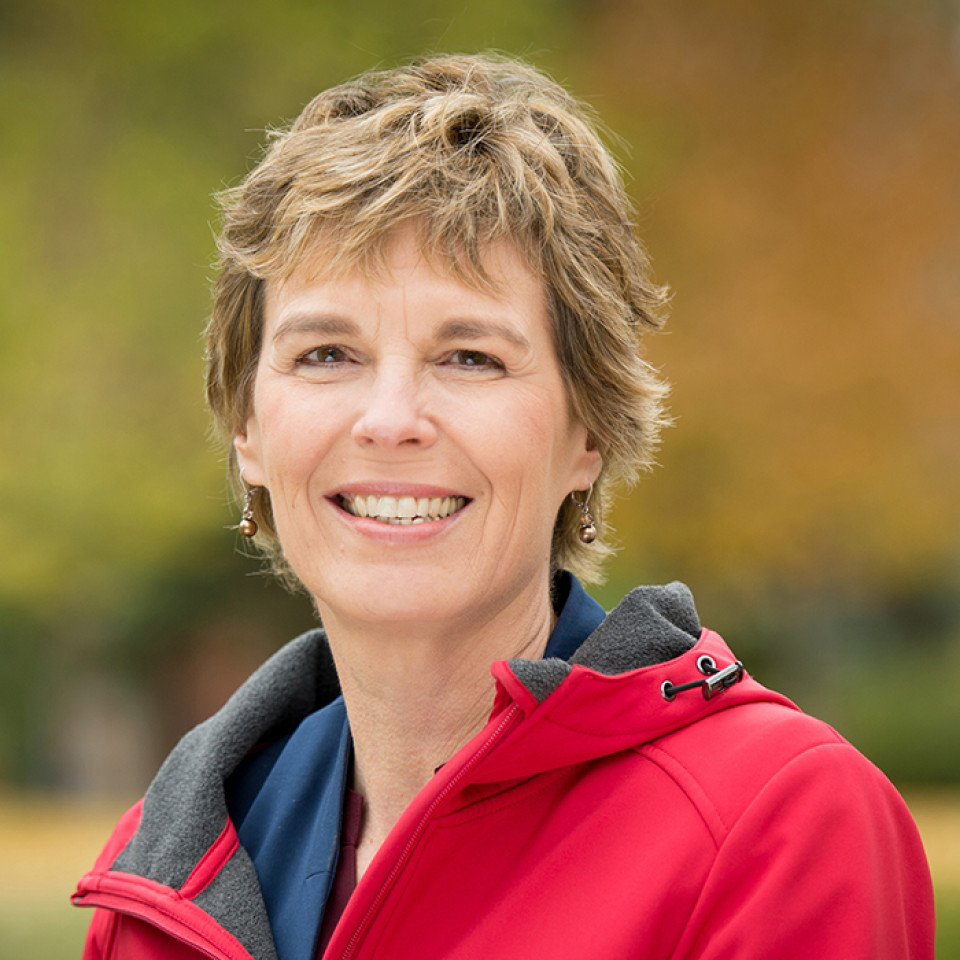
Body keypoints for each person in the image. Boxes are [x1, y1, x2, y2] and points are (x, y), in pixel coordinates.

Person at [72, 53, 934, 959]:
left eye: (470, 357)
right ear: (248, 426)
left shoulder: (776, 824)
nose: (390, 421)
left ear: (585, 435)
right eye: (326, 353)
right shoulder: (164, 871)